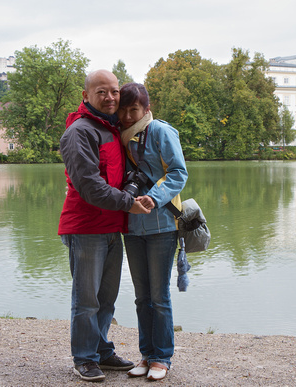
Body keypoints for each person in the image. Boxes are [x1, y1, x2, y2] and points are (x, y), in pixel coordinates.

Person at [58, 70, 151, 382]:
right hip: (85, 228)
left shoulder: (112, 130)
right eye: (102, 92)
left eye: (114, 91)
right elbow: (89, 186)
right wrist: (129, 203)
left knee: (106, 297)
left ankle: (101, 350)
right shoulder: (80, 132)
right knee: (86, 300)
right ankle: (83, 358)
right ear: (86, 96)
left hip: (112, 227)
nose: (110, 97)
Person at [117, 83, 188, 381]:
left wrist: (155, 197)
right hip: (132, 227)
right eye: (124, 109)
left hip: (161, 225)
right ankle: (146, 354)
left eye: (134, 109)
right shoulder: (118, 136)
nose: (128, 115)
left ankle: (162, 357)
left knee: (159, 296)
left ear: (146, 109)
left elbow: (178, 172)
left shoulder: (159, 131)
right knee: (140, 296)